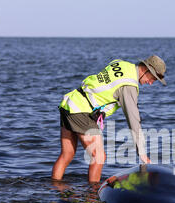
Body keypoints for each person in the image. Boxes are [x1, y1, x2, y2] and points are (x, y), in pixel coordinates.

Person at [51, 55, 167, 183]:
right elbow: (133, 119)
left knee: (67, 154)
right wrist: (142, 153)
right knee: (98, 157)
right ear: (146, 69)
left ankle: (55, 189)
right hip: (82, 111)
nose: (151, 83)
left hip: (70, 103)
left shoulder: (121, 63)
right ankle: (93, 197)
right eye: (153, 78)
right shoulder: (129, 86)